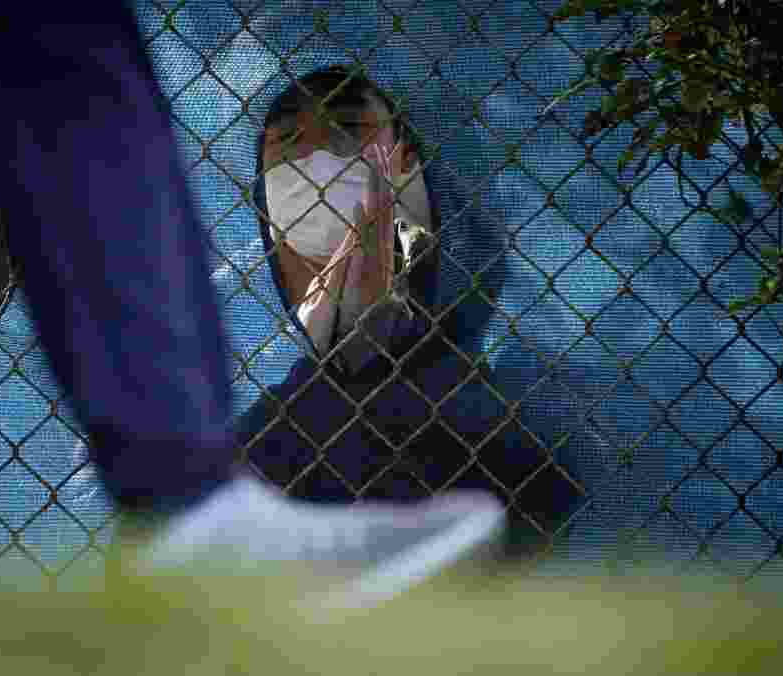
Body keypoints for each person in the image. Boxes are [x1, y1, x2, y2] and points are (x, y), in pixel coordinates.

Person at [0, 1, 564, 606]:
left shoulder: (514, 418)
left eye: (350, 146)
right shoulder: (279, 432)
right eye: (290, 168)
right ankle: (187, 508)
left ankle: (187, 508)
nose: (321, 196)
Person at [237, 65, 581, 556]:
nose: (315, 161)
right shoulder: (262, 448)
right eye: (288, 141)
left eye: (349, 131)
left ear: (426, 179)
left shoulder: (529, 432)